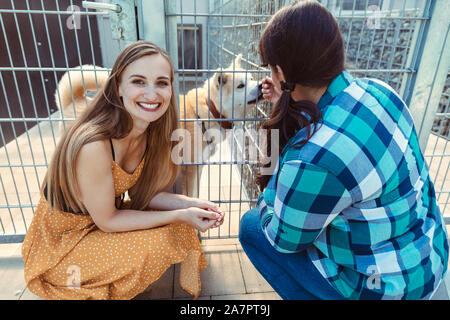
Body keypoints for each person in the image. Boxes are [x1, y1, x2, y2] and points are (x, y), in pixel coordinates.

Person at [239, 0, 448, 300]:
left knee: (252, 227)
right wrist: (284, 102)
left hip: (385, 291)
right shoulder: (383, 92)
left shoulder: (312, 158)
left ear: (282, 74)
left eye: (271, 70)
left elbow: (283, 237)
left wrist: (270, 187)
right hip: (429, 261)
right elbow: (335, 130)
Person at [21, 40, 224, 300]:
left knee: (181, 227)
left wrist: (194, 204)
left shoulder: (150, 133)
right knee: (161, 239)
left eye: (161, 83)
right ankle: (87, 285)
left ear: (172, 89)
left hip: (97, 224)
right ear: (118, 87)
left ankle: (108, 279)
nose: (152, 94)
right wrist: (179, 214)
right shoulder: (95, 144)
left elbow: (146, 196)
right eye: (138, 81)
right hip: (62, 245)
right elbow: (109, 220)